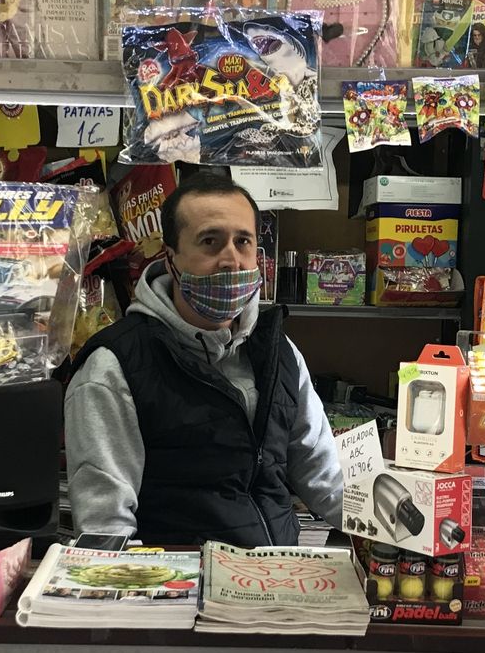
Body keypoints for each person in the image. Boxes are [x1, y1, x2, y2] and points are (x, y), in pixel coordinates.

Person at [67, 172, 343, 547]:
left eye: (243, 241)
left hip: (277, 580)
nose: (231, 260)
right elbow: (106, 525)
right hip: (178, 589)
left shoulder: (279, 351)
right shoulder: (115, 365)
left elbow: (323, 475)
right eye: (210, 242)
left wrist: (398, 534)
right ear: (170, 259)